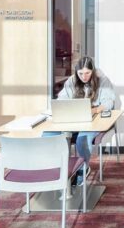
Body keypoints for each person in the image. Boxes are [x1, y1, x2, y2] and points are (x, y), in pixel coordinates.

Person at [46, 56, 116, 185]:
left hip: (94, 118)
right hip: (74, 118)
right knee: (48, 134)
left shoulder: (102, 80)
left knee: (82, 139)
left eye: (88, 73)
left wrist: (93, 110)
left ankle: (82, 169)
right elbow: (61, 99)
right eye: (81, 74)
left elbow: (109, 103)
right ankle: (55, 169)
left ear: (93, 71)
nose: (84, 77)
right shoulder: (72, 81)